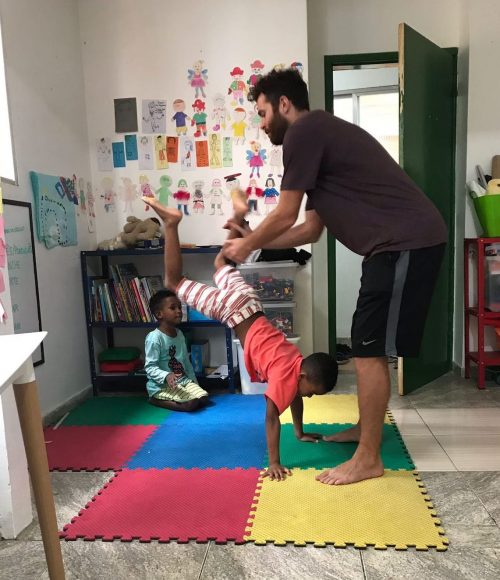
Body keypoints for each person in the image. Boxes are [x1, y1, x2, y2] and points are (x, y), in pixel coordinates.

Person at [222, 68, 447, 486]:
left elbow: (285, 215)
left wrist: (242, 247)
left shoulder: (303, 134)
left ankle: (368, 457)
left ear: (284, 104)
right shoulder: (319, 138)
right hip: (394, 244)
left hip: (405, 241)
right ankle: (366, 431)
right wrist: (253, 239)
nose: (262, 122)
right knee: (367, 343)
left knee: (367, 346)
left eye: (263, 112)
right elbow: (308, 229)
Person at [142, 194, 338, 481]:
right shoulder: (287, 378)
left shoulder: (296, 364)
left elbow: (297, 398)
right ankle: (171, 223)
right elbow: (272, 417)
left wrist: (299, 431)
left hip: (250, 303)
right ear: (304, 375)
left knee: (222, 263)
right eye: (311, 390)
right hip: (232, 311)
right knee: (174, 283)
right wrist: (274, 461)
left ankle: (238, 217)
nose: (308, 395)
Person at [145, 289, 209, 412]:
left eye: (179, 307)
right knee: (190, 404)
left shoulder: (179, 334)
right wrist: (166, 375)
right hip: (162, 386)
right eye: (173, 308)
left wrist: (194, 383)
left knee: (203, 398)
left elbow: (185, 361)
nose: (179, 311)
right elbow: (150, 367)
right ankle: (155, 399)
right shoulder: (154, 338)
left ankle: (187, 397)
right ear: (159, 314)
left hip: (182, 381)